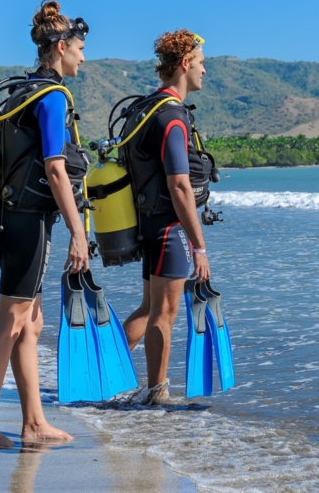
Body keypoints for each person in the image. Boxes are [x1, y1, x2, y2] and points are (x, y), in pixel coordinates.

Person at [0, 0, 90, 447]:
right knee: (13, 320)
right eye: (78, 48)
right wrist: (79, 233)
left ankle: (34, 423)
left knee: (31, 322)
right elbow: (55, 168)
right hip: (29, 222)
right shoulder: (52, 96)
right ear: (59, 48)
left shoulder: (25, 91)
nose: (82, 57)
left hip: (13, 217)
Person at [122, 29, 214, 403]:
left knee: (150, 308)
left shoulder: (148, 108)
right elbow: (179, 186)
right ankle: (156, 392)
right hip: (167, 227)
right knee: (165, 313)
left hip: (149, 222)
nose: (205, 71)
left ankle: (105, 374)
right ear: (184, 64)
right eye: (202, 63)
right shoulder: (172, 116)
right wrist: (200, 246)